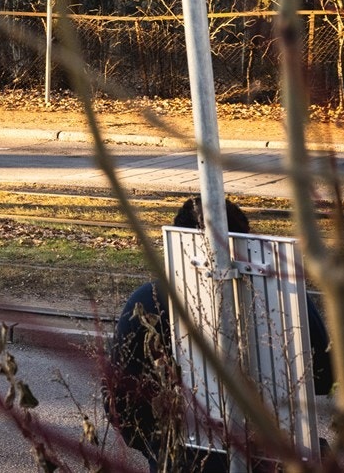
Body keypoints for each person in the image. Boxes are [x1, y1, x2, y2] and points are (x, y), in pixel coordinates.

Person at [104, 196, 332, 472]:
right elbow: (326, 377)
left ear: (178, 247)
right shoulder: (285, 296)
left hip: (183, 458)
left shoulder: (148, 302)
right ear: (245, 243)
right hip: (277, 456)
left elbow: (120, 405)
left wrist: (160, 448)